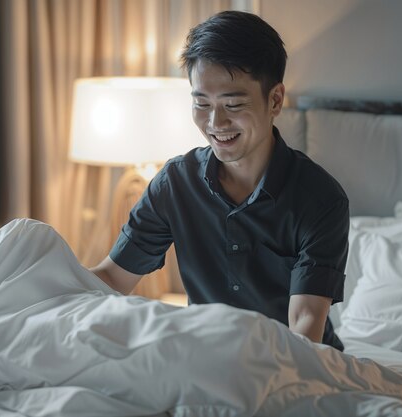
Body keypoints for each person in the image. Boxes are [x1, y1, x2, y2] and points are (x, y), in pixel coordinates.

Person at [90, 10, 349, 350]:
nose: (215, 122)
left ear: (274, 100)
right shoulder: (175, 184)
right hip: (204, 359)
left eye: (233, 104)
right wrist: (40, 291)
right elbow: (111, 278)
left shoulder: (321, 199)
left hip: (292, 363)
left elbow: (304, 324)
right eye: (201, 103)